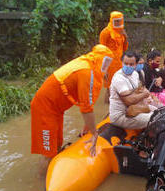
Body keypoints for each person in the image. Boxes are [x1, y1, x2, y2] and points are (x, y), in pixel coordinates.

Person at [31, 45, 114, 175]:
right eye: (106, 62)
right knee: (48, 152)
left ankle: (52, 173)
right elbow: (86, 109)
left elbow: (88, 102)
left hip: (56, 109)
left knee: (57, 145)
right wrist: (94, 133)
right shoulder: (87, 72)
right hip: (45, 107)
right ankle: (40, 182)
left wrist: (87, 127)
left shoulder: (88, 66)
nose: (107, 67)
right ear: (99, 59)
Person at [109, 51, 154, 129]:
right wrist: (144, 94)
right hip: (121, 115)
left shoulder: (135, 74)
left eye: (131, 64)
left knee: (159, 112)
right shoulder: (119, 78)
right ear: (121, 63)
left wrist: (145, 95)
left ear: (136, 64)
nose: (128, 66)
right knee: (155, 119)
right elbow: (128, 100)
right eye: (125, 64)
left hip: (135, 109)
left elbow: (139, 90)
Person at [99, 11, 128, 102]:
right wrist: (104, 69)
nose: (118, 23)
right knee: (109, 87)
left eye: (120, 21)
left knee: (117, 85)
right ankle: (108, 108)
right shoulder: (105, 32)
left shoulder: (121, 32)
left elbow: (124, 48)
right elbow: (101, 50)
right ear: (112, 21)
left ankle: (109, 105)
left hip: (119, 63)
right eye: (116, 21)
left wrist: (125, 37)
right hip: (109, 64)